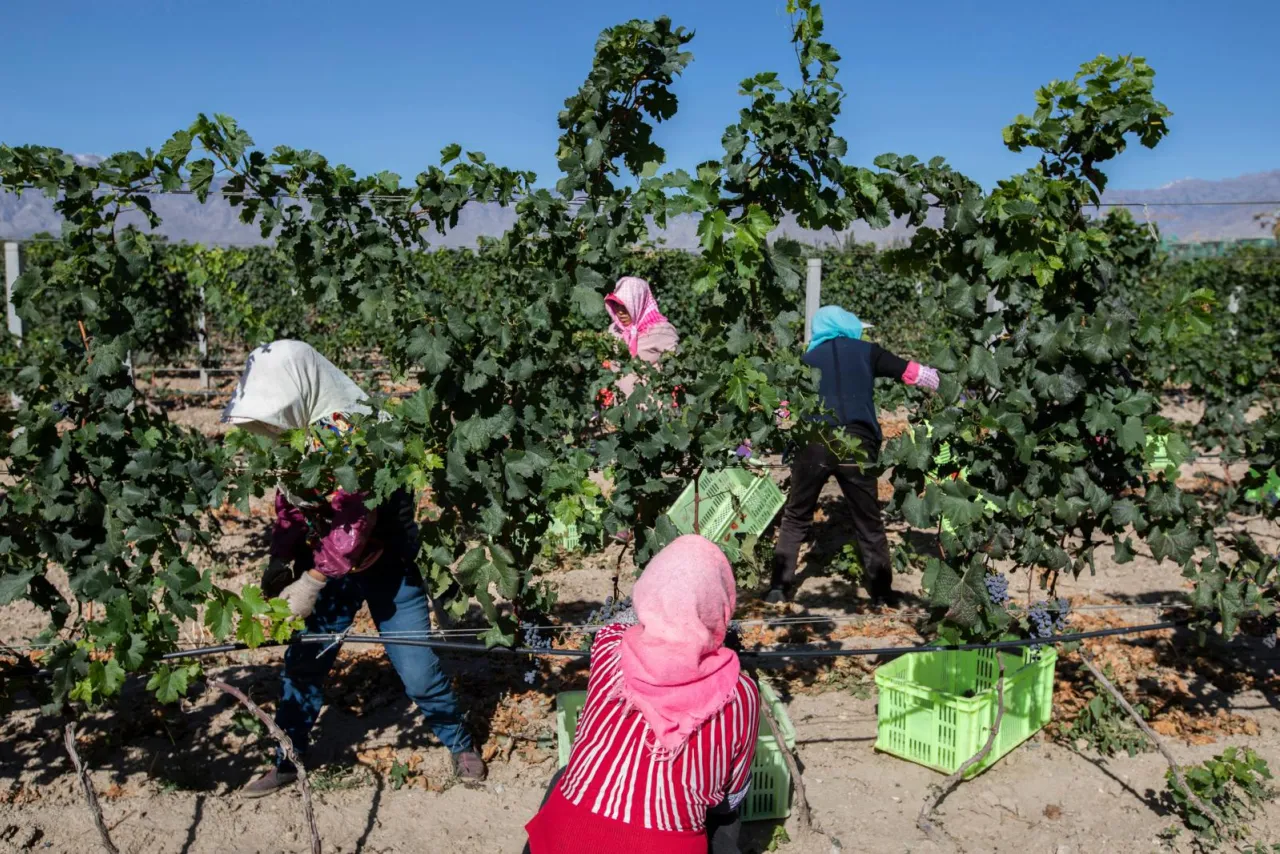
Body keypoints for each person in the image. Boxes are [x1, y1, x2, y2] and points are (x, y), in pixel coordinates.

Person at [221, 340, 486, 796]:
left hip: (387, 567)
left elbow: (354, 520)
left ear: (302, 386)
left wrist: (313, 580)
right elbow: (290, 502)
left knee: (418, 671)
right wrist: (281, 558)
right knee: (304, 663)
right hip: (331, 567)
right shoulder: (299, 436)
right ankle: (287, 758)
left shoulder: (354, 429)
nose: (270, 428)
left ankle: (460, 743)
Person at [524, 535, 759, 854]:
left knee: (564, 776)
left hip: (563, 841)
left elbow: (627, 619)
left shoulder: (609, 649)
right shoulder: (739, 694)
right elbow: (729, 798)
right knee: (726, 818)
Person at [766, 306, 940, 607]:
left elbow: (783, 407)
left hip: (813, 443)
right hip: (856, 445)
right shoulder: (866, 351)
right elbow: (911, 372)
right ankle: (882, 593)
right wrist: (945, 385)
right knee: (868, 520)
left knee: (796, 516)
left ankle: (778, 589)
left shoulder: (806, 360)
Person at [604, 276, 680, 400]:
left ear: (638, 303)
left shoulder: (661, 330)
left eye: (625, 306)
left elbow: (679, 365)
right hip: (621, 407)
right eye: (616, 305)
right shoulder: (613, 330)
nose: (620, 312)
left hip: (652, 410)